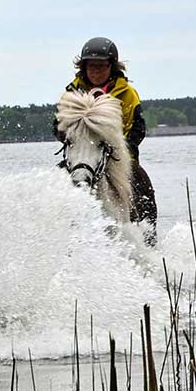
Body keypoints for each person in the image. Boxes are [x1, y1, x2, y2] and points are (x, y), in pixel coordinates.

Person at [62, 37, 158, 243]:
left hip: (117, 157)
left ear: (112, 67)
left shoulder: (127, 93)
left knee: (140, 181)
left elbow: (138, 128)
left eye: (101, 66)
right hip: (82, 154)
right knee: (60, 182)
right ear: (83, 68)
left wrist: (118, 149)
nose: (96, 71)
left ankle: (144, 232)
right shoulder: (72, 92)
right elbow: (59, 125)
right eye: (91, 66)